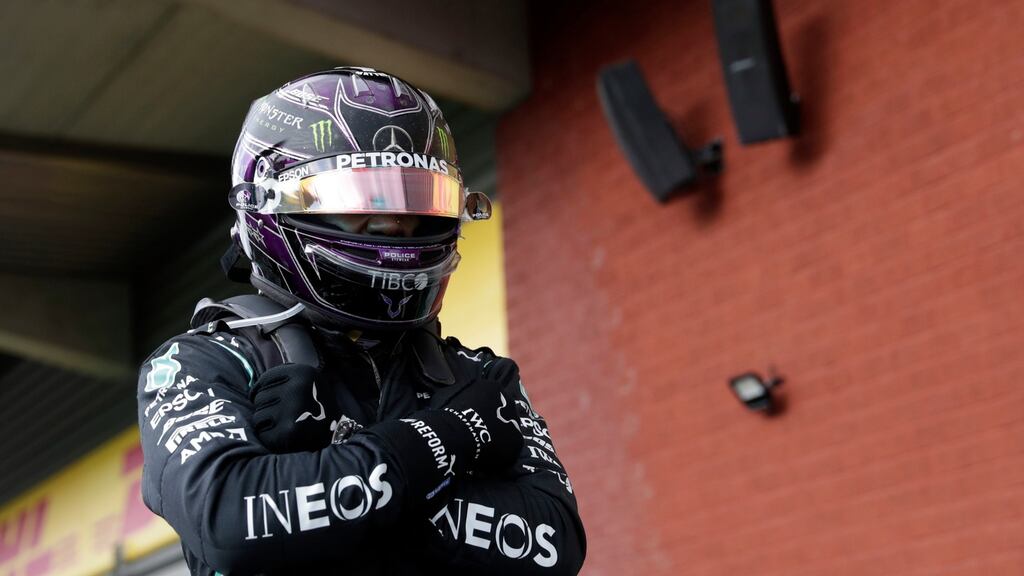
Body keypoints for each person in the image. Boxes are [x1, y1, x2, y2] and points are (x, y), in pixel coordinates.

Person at [136, 67, 586, 575]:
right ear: (272, 205)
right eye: (366, 200)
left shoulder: (482, 376)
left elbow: (555, 544)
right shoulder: (202, 361)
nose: (397, 225)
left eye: (418, 201)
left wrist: (336, 476)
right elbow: (229, 519)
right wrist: (449, 436)